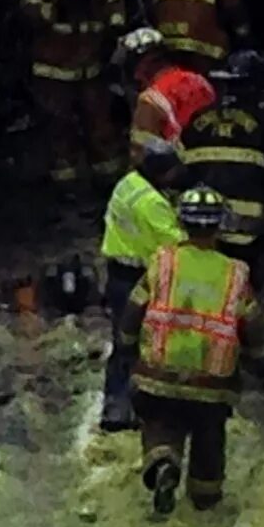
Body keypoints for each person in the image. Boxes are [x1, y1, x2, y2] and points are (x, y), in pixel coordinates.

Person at [132, 188, 264, 518]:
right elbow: (250, 325)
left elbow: (133, 308)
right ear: (220, 226)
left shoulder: (163, 261)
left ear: (182, 222)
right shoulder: (236, 273)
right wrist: (261, 360)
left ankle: (164, 461)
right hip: (212, 385)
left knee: (159, 424)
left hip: (157, 375)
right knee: (209, 442)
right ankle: (205, 498)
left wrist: (124, 344)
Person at [176, 49, 264, 286]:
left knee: (207, 283)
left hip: (202, 226)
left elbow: (177, 170)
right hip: (248, 231)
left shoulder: (197, 119)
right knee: (243, 288)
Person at [18, 0, 127, 186]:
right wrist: (50, 13)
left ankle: (108, 176)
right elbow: (29, 10)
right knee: (59, 125)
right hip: (55, 67)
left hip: (90, 64)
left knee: (100, 122)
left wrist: (116, 20)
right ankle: (66, 182)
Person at [97, 141, 185, 432]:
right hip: (140, 277)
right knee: (141, 341)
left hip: (117, 272)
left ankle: (114, 403)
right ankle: (132, 407)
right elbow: (177, 243)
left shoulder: (128, 184)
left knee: (122, 341)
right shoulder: (152, 204)